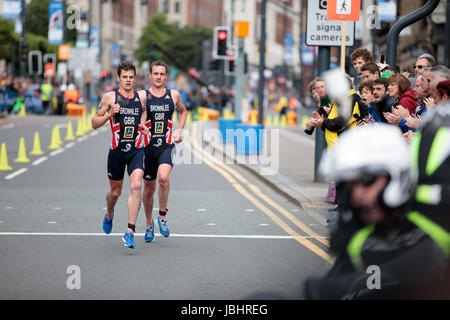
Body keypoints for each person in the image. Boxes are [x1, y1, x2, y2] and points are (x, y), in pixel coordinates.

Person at [304, 124, 447, 299]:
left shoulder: (435, 222)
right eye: (349, 185)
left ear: (397, 174)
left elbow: (420, 264)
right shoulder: (353, 234)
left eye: (367, 181)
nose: (357, 195)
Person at [91, 61, 147, 249]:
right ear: (118, 78)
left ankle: (130, 231)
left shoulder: (142, 97)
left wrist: (143, 124)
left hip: (136, 150)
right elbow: (94, 123)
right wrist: (109, 115)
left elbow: (144, 112)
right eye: (125, 77)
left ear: (135, 78)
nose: (128, 80)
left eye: (131, 77)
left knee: (137, 185)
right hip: (116, 152)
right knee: (115, 193)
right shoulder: (110, 97)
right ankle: (109, 213)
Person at [141, 60, 187, 243]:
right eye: (155, 73)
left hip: (166, 146)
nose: (159, 77)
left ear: (166, 76)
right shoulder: (143, 96)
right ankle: (148, 224)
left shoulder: (173, 95)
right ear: (150, 76)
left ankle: (162, 216)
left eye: (162, 74)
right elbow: (136, 115)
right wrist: (140, 125)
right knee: (149, 188)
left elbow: (183, 112)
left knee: (163, 179)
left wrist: (180, 129)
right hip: (146, 148)